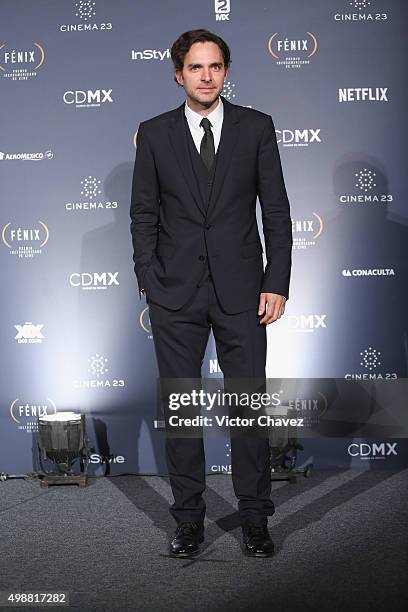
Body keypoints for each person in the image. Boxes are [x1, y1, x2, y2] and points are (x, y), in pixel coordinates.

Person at [130, 29, 292, 558]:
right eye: (196, 68)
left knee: (247, 408)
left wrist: (276, 282)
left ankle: (254, 520)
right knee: (181, 411)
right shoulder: (153, 134)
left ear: (226, 71)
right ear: (178, 74)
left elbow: (276, 212)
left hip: (245, 291)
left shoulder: (257, 127)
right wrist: (149, 282)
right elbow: (144, 215)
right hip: (174, 294)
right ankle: (189, 521)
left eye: (215, 66)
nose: (206, 76)